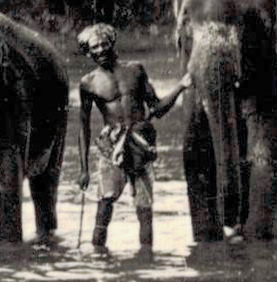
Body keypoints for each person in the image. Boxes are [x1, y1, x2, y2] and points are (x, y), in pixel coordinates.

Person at [76, 23, 191, 251]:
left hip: (140, 145)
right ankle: (99, 261)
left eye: (103, 45)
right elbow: (84, 127)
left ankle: (146, 260)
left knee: (144, 209)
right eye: (94, 48)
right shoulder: (87, 83)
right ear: (88, 52)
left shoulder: (135, 70)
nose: (99, 51)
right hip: (111, 149)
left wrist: (181, 86)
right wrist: (83, 169)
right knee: (104, 205)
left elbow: (157, 108)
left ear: (112, 44)